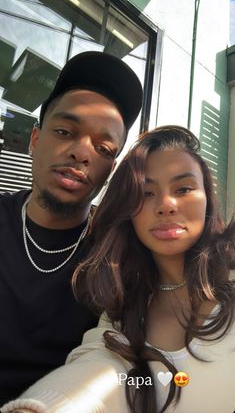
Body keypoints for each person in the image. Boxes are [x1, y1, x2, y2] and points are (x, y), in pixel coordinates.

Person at [2, 125, 235, 413]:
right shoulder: (120, 315)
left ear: (207, 199)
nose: (165, 205)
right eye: (146, 193)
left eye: (184, 189)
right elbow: (97, 370)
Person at [0, 51, 143, 404]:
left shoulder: (118, 254)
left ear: (109, 170)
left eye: (103, 147)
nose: (82, 152)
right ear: (35, 139)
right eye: (65, 131)